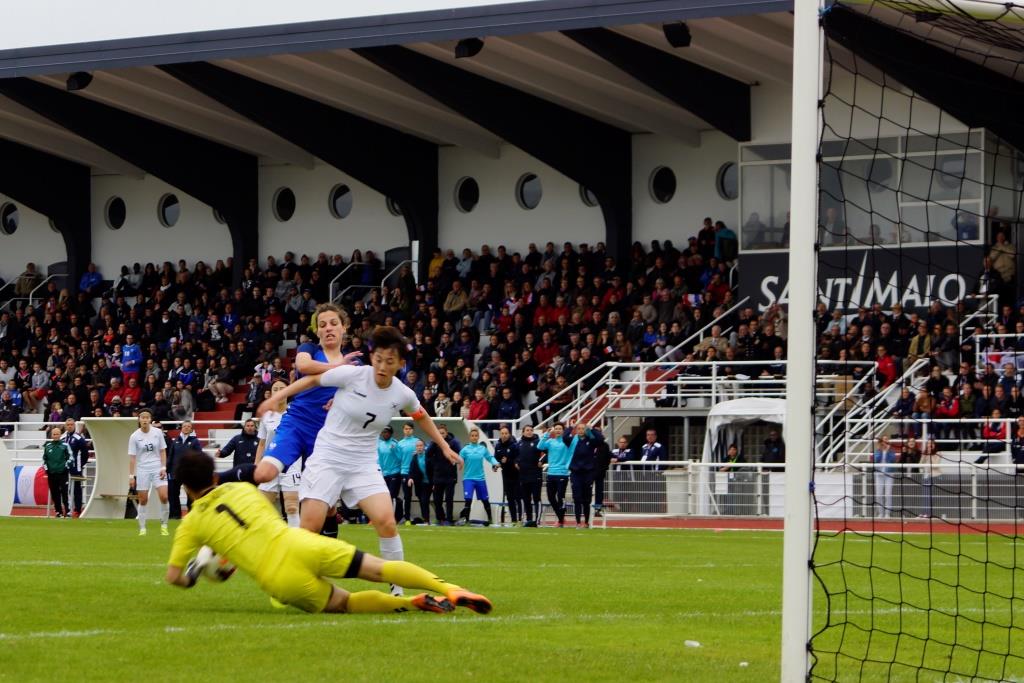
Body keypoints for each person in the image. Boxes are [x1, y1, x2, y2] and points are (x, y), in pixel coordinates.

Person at [256, 325, 463, 597]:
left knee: (386, 522)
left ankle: (397, 589)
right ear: (371, 357)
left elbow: (421, 415)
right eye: (378, 359)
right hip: (328, 457)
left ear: (400, 364)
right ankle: (295, 579)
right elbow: (312, 380)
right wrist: (279, 397)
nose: (381, 366)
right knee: (309, 527)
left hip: (363, 464)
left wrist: (445, 446)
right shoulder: (353, 375)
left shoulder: (403, 393)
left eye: (389, 361)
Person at [165, 450, 492, 615]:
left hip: (278, 578)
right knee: (378, 568)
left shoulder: (192, 524)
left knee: (345, 603)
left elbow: (173, 577)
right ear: (213, 472)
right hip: (299, 542)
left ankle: (412, 602)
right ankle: (449, 589)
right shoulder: (244, 489)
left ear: (186, 488)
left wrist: (196, 574)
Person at [255, 380, 300, 528]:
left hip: (292, 462)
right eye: (276, 389)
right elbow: (262, 443)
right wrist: (257, 464)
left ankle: (296, 543)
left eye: (282, 388)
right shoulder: (267, 416)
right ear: (271, 393)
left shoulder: (296, 412)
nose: (279, 391)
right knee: (262, 505)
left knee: (292, 505)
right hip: (270, 462)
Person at [129, 409, 169, 536]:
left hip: (157, 467)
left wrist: (163, 467)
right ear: (139, 420)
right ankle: (142, 528)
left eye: (147, 417)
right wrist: (131, 476)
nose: (145, 420)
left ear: (150, 419)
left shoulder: (157, 433)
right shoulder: (134, 436)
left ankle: (164, 525)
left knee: (164, 496)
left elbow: (163, 451)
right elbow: (132, 458)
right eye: (143, 417)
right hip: (142, 469)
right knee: (143, 500)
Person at [538, 422, 579, 528]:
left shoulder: (566, 442)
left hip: (562, 473)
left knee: (560, 497)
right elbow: (539, 446)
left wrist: (572, 428)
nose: (558, 430)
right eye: (556, 428)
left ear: (563, 430)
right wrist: (546, 434)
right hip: (551, 473)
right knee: (551, 497)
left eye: (560, 428)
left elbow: (575, 442)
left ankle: (560, 520)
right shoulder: (550, 441)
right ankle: (561, 517)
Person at [457, 428, 500, 525]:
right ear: (469, 437)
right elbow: (459, 459)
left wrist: (496, 463)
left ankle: (490, 520)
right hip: (468, 479)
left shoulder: (482, 449)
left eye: (476, 436)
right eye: (472, 436)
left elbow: (490, 458)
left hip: (480, 479)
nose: (474, 437)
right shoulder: (465, 449)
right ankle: (466, 520)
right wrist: (457, 462)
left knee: (485, 500)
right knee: (468, 500)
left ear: (478, 437)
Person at [568, 422, 604, 528]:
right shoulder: (573, 441)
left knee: (586, 499)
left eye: (583, 428)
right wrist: (571, 427)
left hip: (588, 473)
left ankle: (586, 522)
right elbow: (565, 436)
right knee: (577, 497)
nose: (580, 430)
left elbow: (600, 439)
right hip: (575, 472)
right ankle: (578, 521)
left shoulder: (591, 440)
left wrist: (591, 429)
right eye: (578, 428)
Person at [427, 425, 461, 525]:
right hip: (438, 476)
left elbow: (459, 454)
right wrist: (434, 443)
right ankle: (440, 518)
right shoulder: (434, 442)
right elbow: (428, 455)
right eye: (439, 433)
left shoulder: (453, 442)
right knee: (437, 500)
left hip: (450, 476)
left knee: (449, 500)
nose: (441, 435)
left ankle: (449, 519)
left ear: (446, 433)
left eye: (442, 433)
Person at [168, 420, 201, 519]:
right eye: (184, 426)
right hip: (175, 472)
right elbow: (170, 456)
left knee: (190, 495)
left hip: (189, 473)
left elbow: (199, 456)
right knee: (173, 495)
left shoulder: (195, 441)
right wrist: (167, 470)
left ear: (191, 429)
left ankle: (191, 515)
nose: (186, 428)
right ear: (181, 428)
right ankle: (175, 515)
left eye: (188, 426)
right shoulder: (175, 441)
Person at [516, 425, 544, 526]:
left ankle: (537, 520)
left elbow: (547, 452)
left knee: (536, 498)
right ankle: (528, 520)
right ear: (523, 432)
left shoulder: (538, 442)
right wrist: (516, 462)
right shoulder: (519, 444)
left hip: (535, 475)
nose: (529, 432)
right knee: (526, 499)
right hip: (523, 475)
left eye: (531, 430)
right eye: (527, 430)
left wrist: (542, 460)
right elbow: (515, 456)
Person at [377, 426, 405, 524]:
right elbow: (380, 460)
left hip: (395, 473)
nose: (385, 434)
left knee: (392, 496)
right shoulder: (380, 445)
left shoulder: (395, 444)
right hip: (385, 474)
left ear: (391, 433)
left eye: (387, 432)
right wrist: (380, 471)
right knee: (385, 496)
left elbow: (400, 458)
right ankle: (390, 516)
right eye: (383, 432)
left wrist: (394, 451)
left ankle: (393, 518)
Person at [493, 426, 521, 525]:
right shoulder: (498, 446)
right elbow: (496, 459)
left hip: (516, 475)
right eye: (502, 433)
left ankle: (520, 519)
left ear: (509, 434)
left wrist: (508, 461)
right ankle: (514, 519)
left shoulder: (514, 445)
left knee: (517, 497)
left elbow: (518, 458)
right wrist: (495, 466)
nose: (504, 435)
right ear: (500, 434)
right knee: (510, 498)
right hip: (505, 475)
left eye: (506, 433)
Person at [62, 418, 89, 518]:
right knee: (65, 488)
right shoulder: (63, 438)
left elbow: (85, 454)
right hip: (65, 468)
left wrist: (80, 465)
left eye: (71, 424)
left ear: (74, 425)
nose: (69, 426)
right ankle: (67, 509)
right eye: (68, 424)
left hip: (75, 468)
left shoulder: (79, 438)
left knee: (77, 489)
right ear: (65, 426)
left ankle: (77, 510)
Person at [42, 426, 72, 518]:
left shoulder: (65, 445)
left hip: (63, 473)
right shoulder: (47, 446)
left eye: (57, 434)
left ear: (60, 435)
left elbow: (70, 458)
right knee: (55, 493)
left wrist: (65, 467)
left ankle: (67, 512)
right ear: (51, 435)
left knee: (64, 492)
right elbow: (44, 459)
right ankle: (58, 511)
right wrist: (47, 469)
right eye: (54, 434)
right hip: (51, 473)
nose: (55, 436)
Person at [395, 423, 420, 525]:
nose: (408, 430)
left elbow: (425, 450)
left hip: (417, 473)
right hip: (405, 472)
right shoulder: (400, 444)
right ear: (403, 430)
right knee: (407, 496)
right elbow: (398, 459)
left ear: (412, 430)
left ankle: (426, 518)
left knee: (422, 496)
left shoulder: (417, 441)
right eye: (406, 429)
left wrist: (419, 452)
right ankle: (407, 518)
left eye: (409, 429)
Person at [405, 439, 431, 524]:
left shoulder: (428, 456)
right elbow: (411, 470)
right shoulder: (414, 457)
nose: (419, 447)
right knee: (422, 501)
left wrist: (434, 482)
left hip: (429, 482)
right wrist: (410, 478)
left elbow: (434, 469)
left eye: (421, 446)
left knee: (425, 501)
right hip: (420, 483)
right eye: (417, 446)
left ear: (424, 447)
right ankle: (425, 519)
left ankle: (429, 520)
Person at [872, 435, 898, 519]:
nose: (885, 441)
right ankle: (880, 512)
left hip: (889, 474)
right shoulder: (877, 450)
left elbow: (892, 459)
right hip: (879, 474)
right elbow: (876, 460)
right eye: (883, 440)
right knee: (878, 495)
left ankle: (887, 513)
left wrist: (887, 451)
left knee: (888, 494)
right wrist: (881, 450)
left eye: (886, 439)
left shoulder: (892, 450)